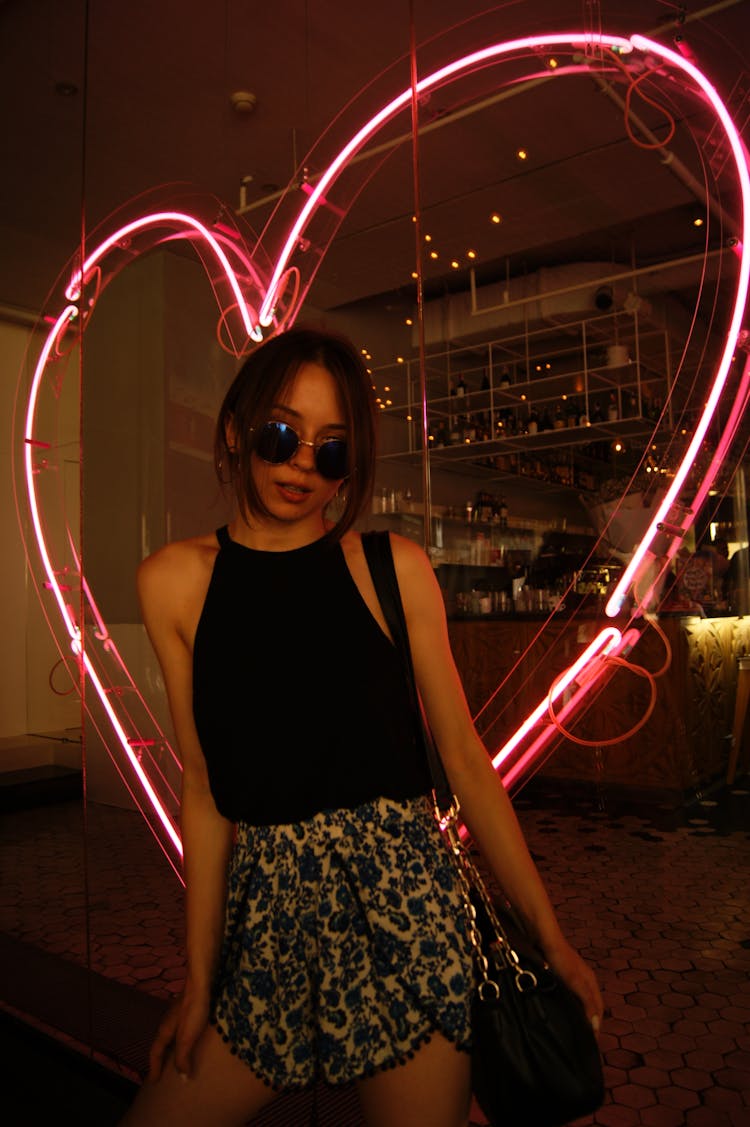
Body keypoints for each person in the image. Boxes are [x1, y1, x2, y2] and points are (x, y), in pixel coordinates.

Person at [120, 326, 603, 1127]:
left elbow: (467, 763)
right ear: (237, 431)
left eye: (331, 449)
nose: (302, 462)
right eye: (281, 434)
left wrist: (550, 940)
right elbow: (204, 791)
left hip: (405, 916)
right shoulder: (173, 582)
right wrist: (200, 978)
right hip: (266, 920)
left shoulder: (394, 569)